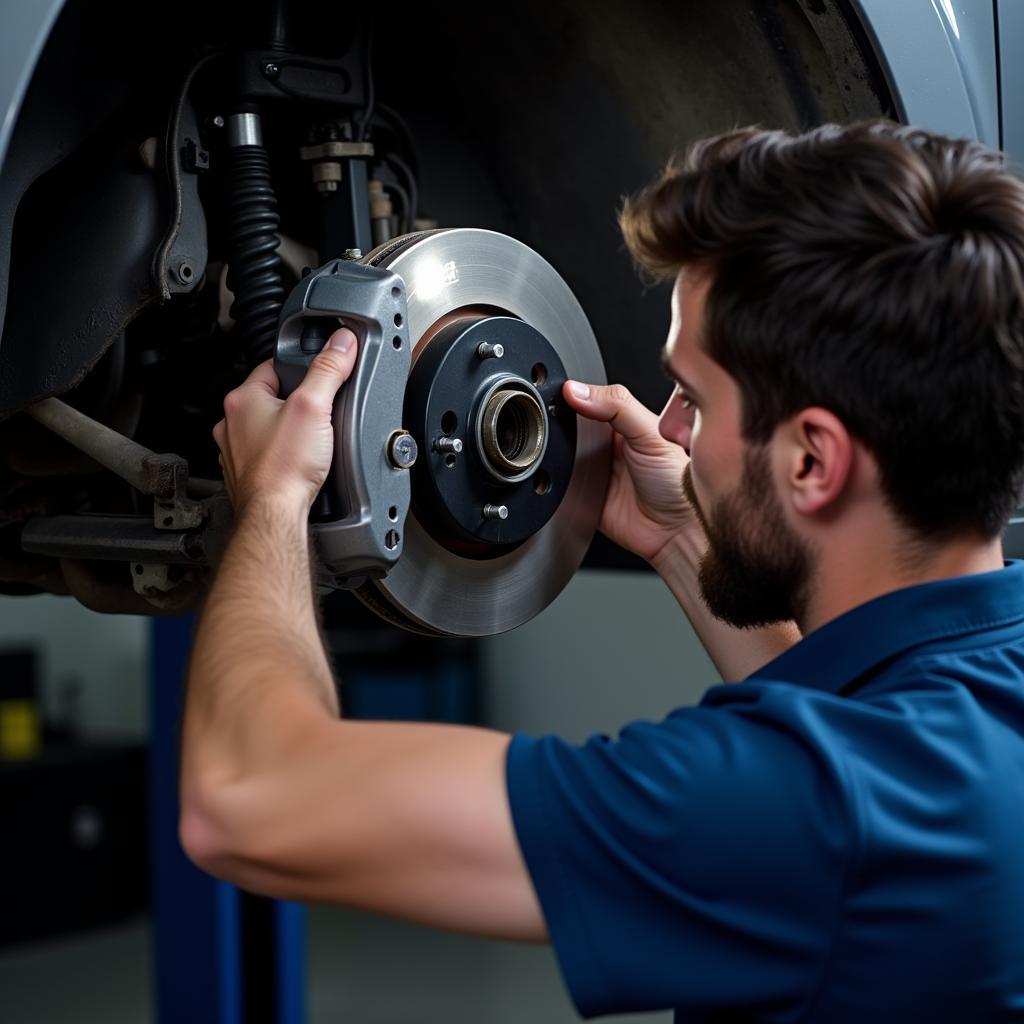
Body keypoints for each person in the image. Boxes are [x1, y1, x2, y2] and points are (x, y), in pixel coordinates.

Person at [180, 121, 1024, 1021]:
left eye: (694, 399)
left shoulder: (814, 811)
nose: (670, 434)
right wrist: (679, 540)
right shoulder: (965, 716)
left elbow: (245, 799)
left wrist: (275, 500)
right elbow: (862, 748)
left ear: (813, 462)